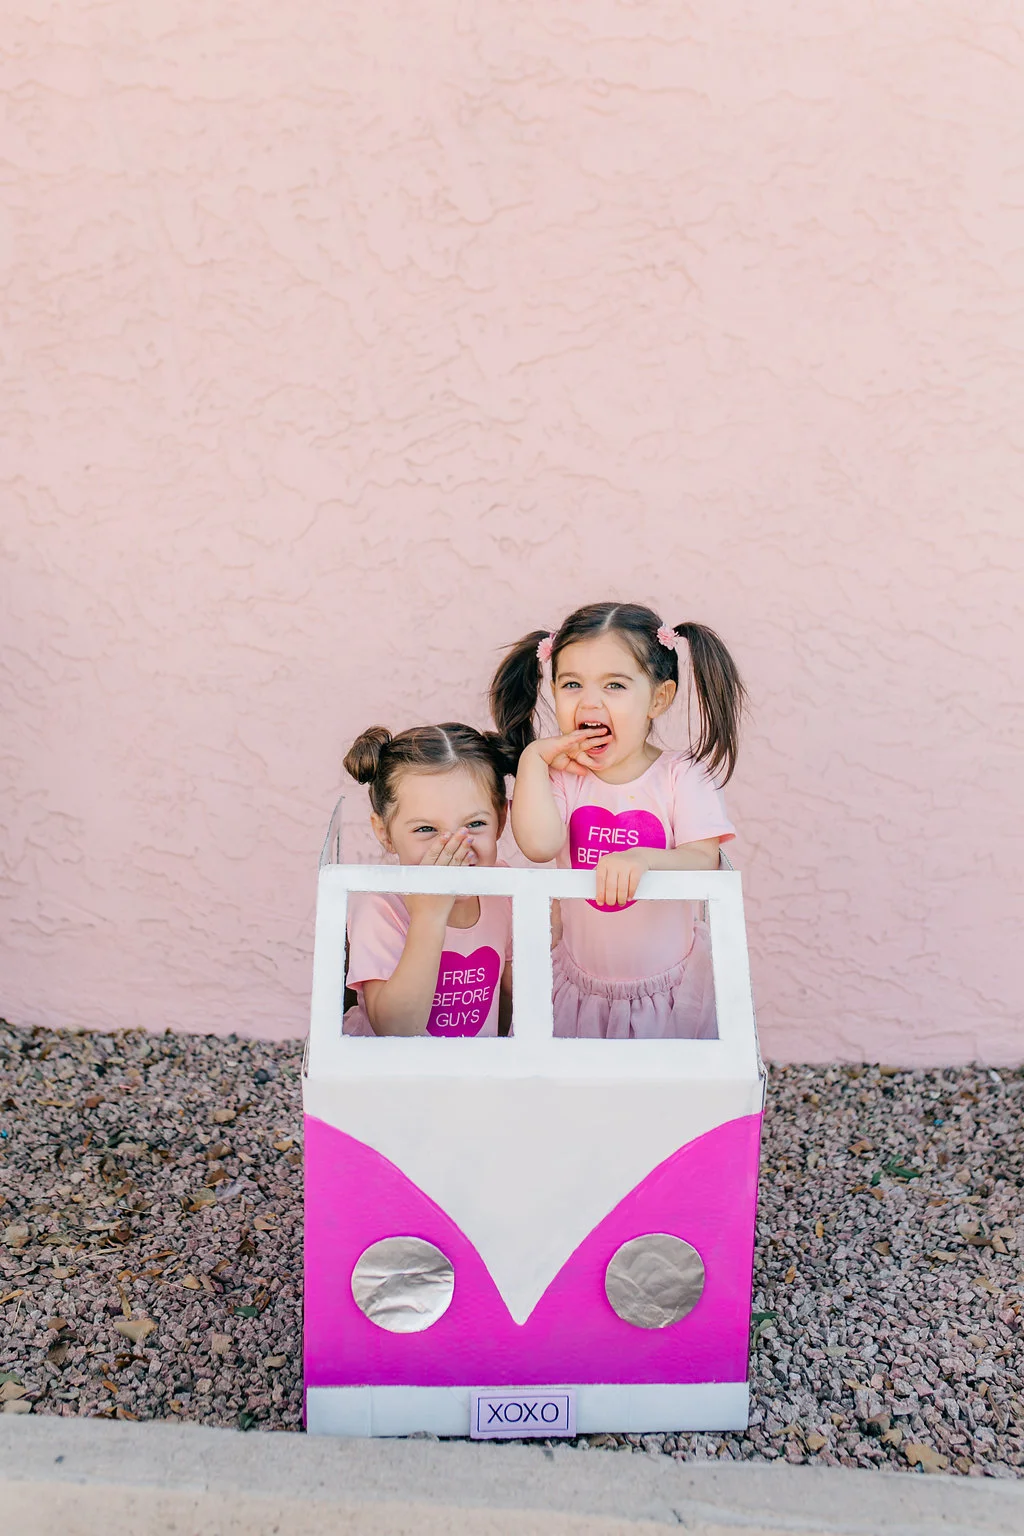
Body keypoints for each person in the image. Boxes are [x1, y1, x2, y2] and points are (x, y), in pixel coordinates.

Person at [490, 601, 744, 1039]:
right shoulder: (564, 777)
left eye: (615, 685)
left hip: (666, 988)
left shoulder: (681, 774)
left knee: (657, 1097)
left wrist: (643, 859)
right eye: (572, 684)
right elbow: (538, 844)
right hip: (580, 984)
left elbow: (703, 858)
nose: (590, 701)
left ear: (658, 699)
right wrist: (533, 758)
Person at [341, 723, 515, 1037]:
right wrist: (429, 916)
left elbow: (511, 1004)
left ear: (501, 820)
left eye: (475, 824)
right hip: (387, 1081)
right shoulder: (379, 905)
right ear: (385, 834)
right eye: (425, 829)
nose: (452, 847)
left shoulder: (505, 890)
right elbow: (395, 1029)